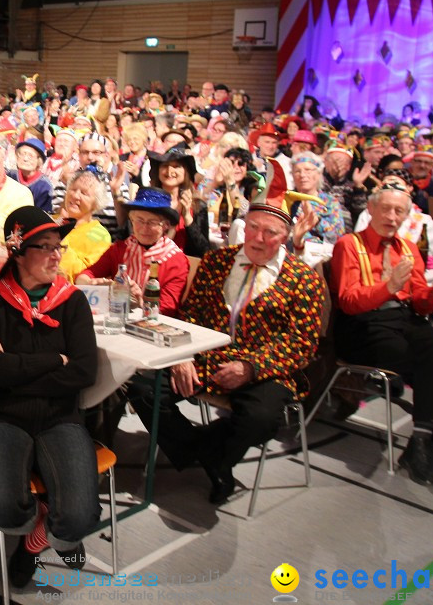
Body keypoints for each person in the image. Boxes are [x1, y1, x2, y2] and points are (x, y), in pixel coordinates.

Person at [134, 177, 326, 504]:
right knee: (141, 388)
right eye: (253, 227)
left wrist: (251, 367)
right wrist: (184, 355)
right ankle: (206, 453)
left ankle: (216, 459)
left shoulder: (303, 278)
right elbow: (191, 312)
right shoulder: (217, 262)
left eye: (271, 232)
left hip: (264, 369)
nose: (259, 238)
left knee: (262, 419)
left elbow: (302, 342)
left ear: (286, 237)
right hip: (206, 357)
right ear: (244, 226)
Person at [0, 205, 98, 587]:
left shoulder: (72, 301)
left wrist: (14, 368)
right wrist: (53, 360)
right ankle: (36, 521)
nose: (57, 255)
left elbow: (83, 372)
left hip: (61, 416)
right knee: (1, 508)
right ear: (19, 252)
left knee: (78, 519)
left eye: (59, 246)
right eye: (45, 246)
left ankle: (33, 544)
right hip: (4, 415)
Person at [331, 181, 433, 498]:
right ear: (371, 209)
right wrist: (387, 288)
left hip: (401, 319)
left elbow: (420, 304)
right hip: (362, 325)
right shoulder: (349, 244)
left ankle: (424, 442)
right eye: (385, 208)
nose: (390, 215)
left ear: (407, 216)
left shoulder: (408, 249)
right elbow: (347, 301)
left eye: (398, 210)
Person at [76, 187, 188, 315]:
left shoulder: (176, 261)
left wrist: (140, 301)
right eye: (139, 220)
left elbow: (168, 309)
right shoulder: (120, 249)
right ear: (132, 221)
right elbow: (84, 275)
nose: (144, 228)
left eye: (152, 222)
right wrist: (92, 283)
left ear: (166, 225)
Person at [148, 144, 210, 257]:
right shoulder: (148, 201)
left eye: (176, 166)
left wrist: (187, 217)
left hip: (185, 267)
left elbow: (203, 251)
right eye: (165, 165)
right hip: (151, 263)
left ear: (186, 172)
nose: (169, 171)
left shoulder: (198, 206)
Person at [55, 170, 111, 282]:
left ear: (96, 203)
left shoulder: (100, 235)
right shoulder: (50, 219)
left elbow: (83, 274)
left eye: (84, 193)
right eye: (73, 189)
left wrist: (59, 236)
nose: (75, 196)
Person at [11, 138, 53, 213]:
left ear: (39, 161)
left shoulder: (44, 186)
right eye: (22, 154)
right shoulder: (10, 175)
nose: (25, 159)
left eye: (30, 156)